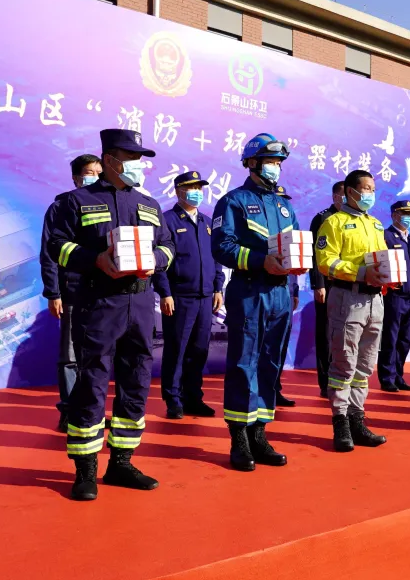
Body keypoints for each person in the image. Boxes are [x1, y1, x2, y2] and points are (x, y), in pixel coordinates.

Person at [47, 128, 175, 501]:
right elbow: (57, 245)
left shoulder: (149, 204)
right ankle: (85, 469)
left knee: (136, 382)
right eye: (130, 157)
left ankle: (121, 462)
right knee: (92, 383)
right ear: (109, 160)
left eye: (140, 158)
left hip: (140, 302)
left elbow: (167, 246)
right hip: (99, 302)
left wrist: (157, 262)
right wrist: (95, 259)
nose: (137, 164)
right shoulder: (75, 201)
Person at [211, 133, 298, 472]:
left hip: (279, 293)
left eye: (278, 163)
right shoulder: (232, 201)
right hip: (248, 291)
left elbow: (293, 245)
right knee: (243, 363)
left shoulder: (284, 204)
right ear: (251, 163)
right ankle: (239, 438)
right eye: (270, 162)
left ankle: (260, 433)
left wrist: (294, 276)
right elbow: (222, 247)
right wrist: (262, 261)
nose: (276, 168)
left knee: (270, 364)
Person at [315, 170, 389, 451]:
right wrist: (360, 273)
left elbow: (381, 260)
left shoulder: (376, 224)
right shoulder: (333, 223)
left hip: (375, 302)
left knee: (365, 366)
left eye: (372, 188)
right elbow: (325, 262)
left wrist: (388, 275)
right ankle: (341, 423)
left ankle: (358, 419)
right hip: (347, 298)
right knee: (344, 363)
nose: (370, 193)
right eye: (365, 188)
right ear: (350, 191)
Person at [154, 171, 225, 420]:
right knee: (177, 349)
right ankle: (173, 399)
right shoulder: (167, 221)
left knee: (199, 350)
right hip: (179, 296)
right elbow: (159, 262)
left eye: (199, 187)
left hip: (206, 297)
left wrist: (218, 288)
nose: (196, 192)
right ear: (178, 191)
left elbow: (216, 259)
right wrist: (165, 292)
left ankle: (193, 397)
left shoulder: (207, 223)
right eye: (190, 187)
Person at [40, 153, 102, 433]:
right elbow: (49, 254)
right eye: (90, 173)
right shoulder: (60, 206)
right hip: (72, 292)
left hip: (103, 293)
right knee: (70, 356)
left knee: (98, 354)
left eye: (99, 173)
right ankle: (69, 410)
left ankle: (91, 409)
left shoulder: (107, 204)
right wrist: (53, 292)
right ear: (76, 177)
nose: (95, 178)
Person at [378, 200, 410, 392]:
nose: (408, 218)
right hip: (394, 296)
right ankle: (387, 377)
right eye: (405, 213)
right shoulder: (385, 237)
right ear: (394, 215)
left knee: (405, 340)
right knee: (391, 338)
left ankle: (399, 376)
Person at [309, 181, 344, 397]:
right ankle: (325, 382)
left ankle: (341, 379)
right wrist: (318, 284)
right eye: (344, 195)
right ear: (335, 197)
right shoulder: (322, 218)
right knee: (325, 335)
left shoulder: (353, 218)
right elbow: (316, 256)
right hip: (327, 285)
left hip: (347, 285)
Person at [273, 184, 300, 408]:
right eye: (279, 199)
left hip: (287, 293)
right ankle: (262, 391)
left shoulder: (290, 232)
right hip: (266, 294)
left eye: (285, 200)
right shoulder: (265, 234)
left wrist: (296, 291)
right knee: (264, 347)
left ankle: (275, 388)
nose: (283, 204)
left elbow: (295, 266)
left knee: (280, 344)